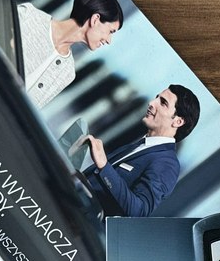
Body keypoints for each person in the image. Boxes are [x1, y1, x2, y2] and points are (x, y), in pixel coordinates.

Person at [81, 84, 200, 217]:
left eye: (163, 103)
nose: (151, 103)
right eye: (156, 98)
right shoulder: (143, 144)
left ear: (178, 121)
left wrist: (104, 166)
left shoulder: (167, 164)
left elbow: (139, 211)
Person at [16, 0, 123, 108]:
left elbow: (33, 107)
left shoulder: (67, 72)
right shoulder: (28, 16)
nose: (109, 40)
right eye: (110, 31)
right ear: (95, 19)